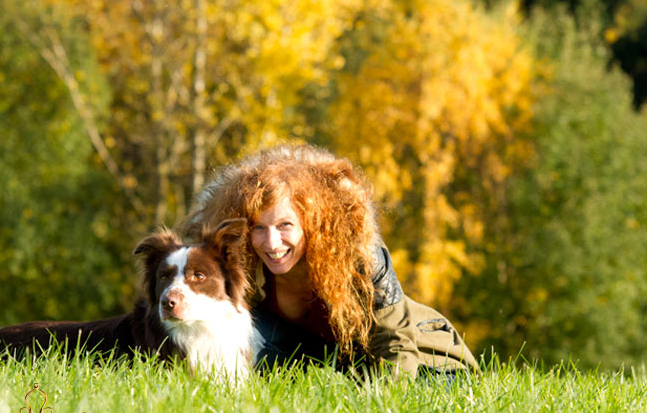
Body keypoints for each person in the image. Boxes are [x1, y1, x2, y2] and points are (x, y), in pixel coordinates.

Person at [179, 144, 479, 378]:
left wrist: (384, 406)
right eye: (259, 228)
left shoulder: (359, 255)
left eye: (285, 226)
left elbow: (395, 345)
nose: (271, 243)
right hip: (338, 370)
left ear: (312, 224)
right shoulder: (241, 264)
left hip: (427, 365)